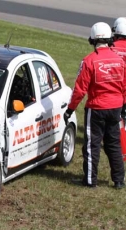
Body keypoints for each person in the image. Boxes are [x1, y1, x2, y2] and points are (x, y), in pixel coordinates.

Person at [64, 22, 126, 189]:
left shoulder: (89, 61)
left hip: (96, 109)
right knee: (114, 143)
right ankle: (119, 180)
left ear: (92, 40)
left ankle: (90, 180)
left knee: (92, 145)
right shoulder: (119, 60)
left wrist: (70, 109)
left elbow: (79, 90)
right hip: (116, 108)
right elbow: (125, 86)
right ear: (110, 39)